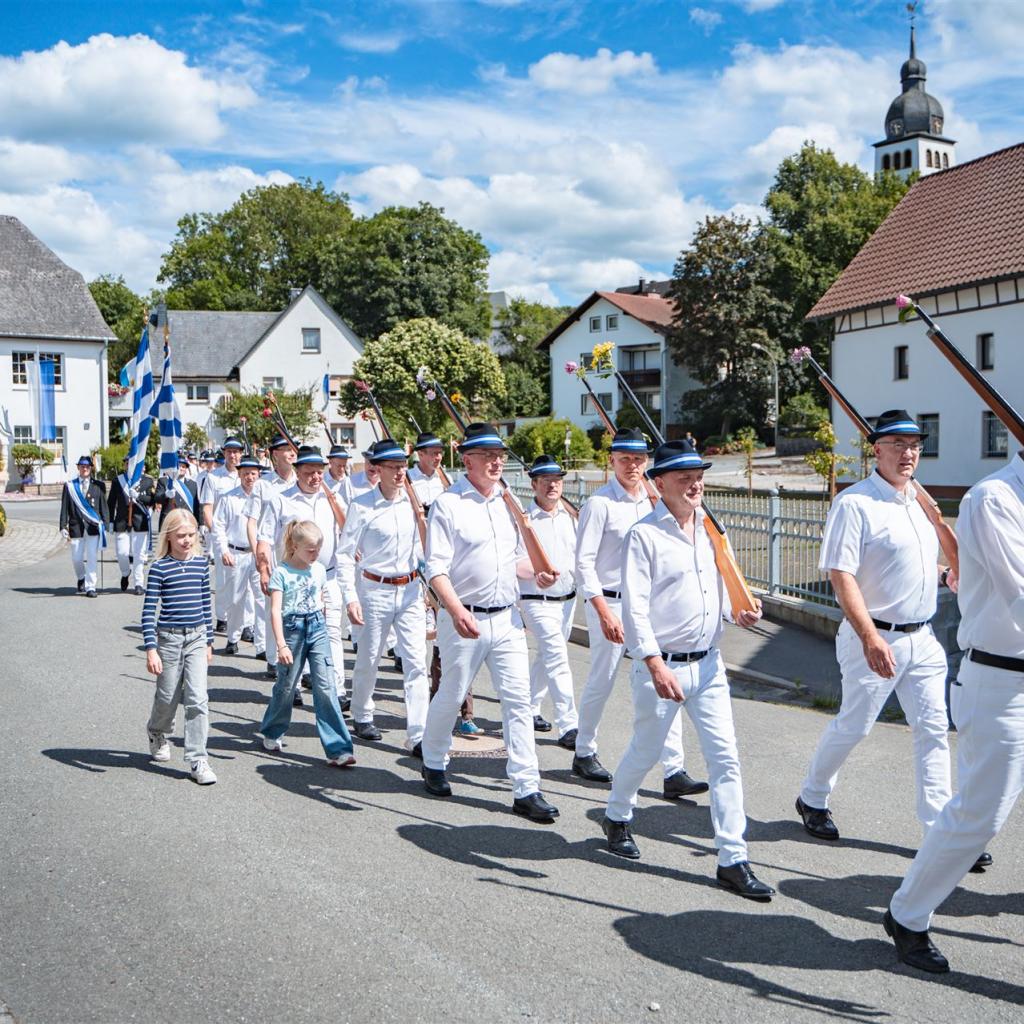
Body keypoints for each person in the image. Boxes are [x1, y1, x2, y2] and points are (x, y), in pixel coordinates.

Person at [601, 440, 774, 901]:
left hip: (710, 664)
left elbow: (722, 589)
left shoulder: (713, 529)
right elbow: (634, 609)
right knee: (646, 751)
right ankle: (617, 814)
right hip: (664, 667)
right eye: (683, 476)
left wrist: (740, 612)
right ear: (660, 484)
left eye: (698, 474)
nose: (695, 483)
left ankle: (732, 858)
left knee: (726, 760)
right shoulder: (645, 535)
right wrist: (653, 664)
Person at [883, 447, 1024, 973]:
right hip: (1004, 682)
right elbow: (1021, 596)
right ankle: (907, 913)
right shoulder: (995, 498)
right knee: (978, 818)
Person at [795, 411, 961, 852]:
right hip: (875, 635)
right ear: (877, 449)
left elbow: (917, 563)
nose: (909, 454)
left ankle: (938, 829)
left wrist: (945, 573)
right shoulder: (855, 502)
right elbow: (841, 574)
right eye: (898, 445)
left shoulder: (920, 505)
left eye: (915, 445)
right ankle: (812, 797)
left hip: (923, 638)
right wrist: (870, 637)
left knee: (933, 730)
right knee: (856, 725)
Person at [419, 422, 559, 823]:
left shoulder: (507, 502)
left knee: (517, 703)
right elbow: (436, 569)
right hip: (463, 618)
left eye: (499, 454)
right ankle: (433, 760)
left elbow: (512, 559)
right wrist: (456, 610)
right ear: (467, 460)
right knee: (453, 692)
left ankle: (526, 787)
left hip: (506, 619)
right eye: (487, 455)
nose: (497, 461)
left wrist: (535, 572)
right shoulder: (449, 504)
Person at [572, 427, 705, 799]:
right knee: (604, 677)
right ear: (611, 460)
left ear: (648, 464)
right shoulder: (600, 504)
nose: (632, 465)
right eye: (625, 458)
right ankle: (584, 750)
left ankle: (674, 769)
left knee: (667, 679)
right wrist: (602, 612)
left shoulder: (652, 501)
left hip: (649, 604)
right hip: (611, 602)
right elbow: (583, 565)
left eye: (638, 459)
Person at [338, 438, 430, 751]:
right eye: (393, 467)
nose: (400, 472)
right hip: (374, 589)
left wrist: (430, 588)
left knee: (417, 661)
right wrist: (350, 596)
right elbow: (345, 553)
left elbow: (422, 549)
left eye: (403, 466)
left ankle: (419, 733)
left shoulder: (413, 504)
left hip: (410, 590)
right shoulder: (362, 505)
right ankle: (362, 714)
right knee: (370, 656)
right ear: (377, 469)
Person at [258, 520, 356, 767]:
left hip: (316, 627)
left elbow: (320, 600)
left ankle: (338, 748)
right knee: (287, 685)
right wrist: (281, 645)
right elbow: (275, 610)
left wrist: (321, 626)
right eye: (310, 549)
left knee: (326, 685)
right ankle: (273, 730)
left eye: (318, 549)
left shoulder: (320, 569)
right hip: (292, 629)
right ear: (294, 546)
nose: (315, 554)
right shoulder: (282, 573)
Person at [256, 446, 347, 707]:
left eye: (320, 472)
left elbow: (347, 529)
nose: (316, 477)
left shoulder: (331, 499)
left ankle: (337, 689)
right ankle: (290, 684)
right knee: (295, 635)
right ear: (297, 472)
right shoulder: (281, 500)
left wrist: (333, 500)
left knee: (331, 633)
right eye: (309, 473)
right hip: (294, 579)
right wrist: (264, 569)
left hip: (327, 577)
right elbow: (264, 539)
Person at [141, 509, 217, 785]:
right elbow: (149, 611)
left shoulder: (200, 564)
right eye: (181, 536)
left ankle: (198, 758)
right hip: (169, 639)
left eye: (191, 535)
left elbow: (206, 605)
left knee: (198, 698)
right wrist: (151, 648)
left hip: (197, 638)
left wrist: (209, 640)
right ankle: (157, 731)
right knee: (167, 696)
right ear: (169, 537)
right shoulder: (159, 568)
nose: (186, 540)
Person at [412, 431, 480, 735]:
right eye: (431, 452)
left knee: (454, 640)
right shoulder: (408, 482)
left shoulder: (447, 482)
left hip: (448, 569)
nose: (437, 457)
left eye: (440, 451)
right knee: (438, 640)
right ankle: (436, 705)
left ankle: (464, 712)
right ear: (419, 454)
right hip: (420, 570)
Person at [517, 455, 579, 747]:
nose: (553, 485)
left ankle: (528, 708)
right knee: (556, 657)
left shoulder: (572, 518)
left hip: (568, 600)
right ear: (534, 485)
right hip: (536, 599)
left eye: (557, 480)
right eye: (546, 481)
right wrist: (536, 572)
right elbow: (514, 560)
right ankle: (569, 726)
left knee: (547, 655)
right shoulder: (523, 520)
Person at [246, 434, 297, 681]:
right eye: (284, 448)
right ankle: (273, 658)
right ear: (274, 454)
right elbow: (253, 521)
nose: (290, 452)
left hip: (300, 555)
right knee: (273, 607)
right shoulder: (263, 485)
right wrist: (260, 557)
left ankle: (302, 665)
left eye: (292, 447)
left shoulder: (302, 480)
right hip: (274, 554)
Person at [212, 453, 266, 658]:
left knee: (262, 599)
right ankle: (233, 638)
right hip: (237, 553)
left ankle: (261, 645)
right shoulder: (229, 498)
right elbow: (218, 527)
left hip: (259, 554)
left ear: (259, 475)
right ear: (239, 474)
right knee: (236, 599)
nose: (249, 477)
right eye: (245, 473)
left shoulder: (265, 499)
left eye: (253, 473)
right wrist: (224, 550)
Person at [201, 436, 244, 632]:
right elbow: (207, 508)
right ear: (224, 453)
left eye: (236, 451)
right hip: (222, 536)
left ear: (241, 453)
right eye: (229, 451)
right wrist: (216, 535)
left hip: (244, 536)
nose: (232, 455)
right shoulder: (213, 477)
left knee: (246, 584)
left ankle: (245, 622)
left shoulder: (249, 474)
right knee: (223, 580)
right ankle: (222, 616)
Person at [59, 455, 108, 598]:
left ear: (91, 468)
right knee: (76, 558)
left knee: (92, 557)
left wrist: (106, 523)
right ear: (78, 468)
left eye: (87, 466)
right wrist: (62, 525)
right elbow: (64, 507)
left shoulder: (99, 485)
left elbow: (103, 506)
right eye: (82, 466)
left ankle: (90, 586)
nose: (84, 469)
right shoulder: (70, 486)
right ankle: (81, 577)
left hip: (93, 526)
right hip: (76, 527)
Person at [108, 455, 155, 595]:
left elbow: (152, 500)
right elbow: (111, 503)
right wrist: (110, 521)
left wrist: (138, 497)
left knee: (139, 554)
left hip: (140, 522)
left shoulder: (147, 481)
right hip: (122, 521)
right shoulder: (118, 480)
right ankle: (125, 572)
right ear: (125, 465)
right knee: (122, 553)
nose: (131, 466)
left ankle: (139, 583)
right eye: (128, 463)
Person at [154, 455, 200, 529]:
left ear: (186, 469)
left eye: (183, 467)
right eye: (179, 466)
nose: (181, 469)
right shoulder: (164, 481)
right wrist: (166, 495)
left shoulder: (192, 484)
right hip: (169, 523)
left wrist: (200, 523)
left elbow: (196, 506)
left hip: (187, 523)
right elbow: (157, 498)